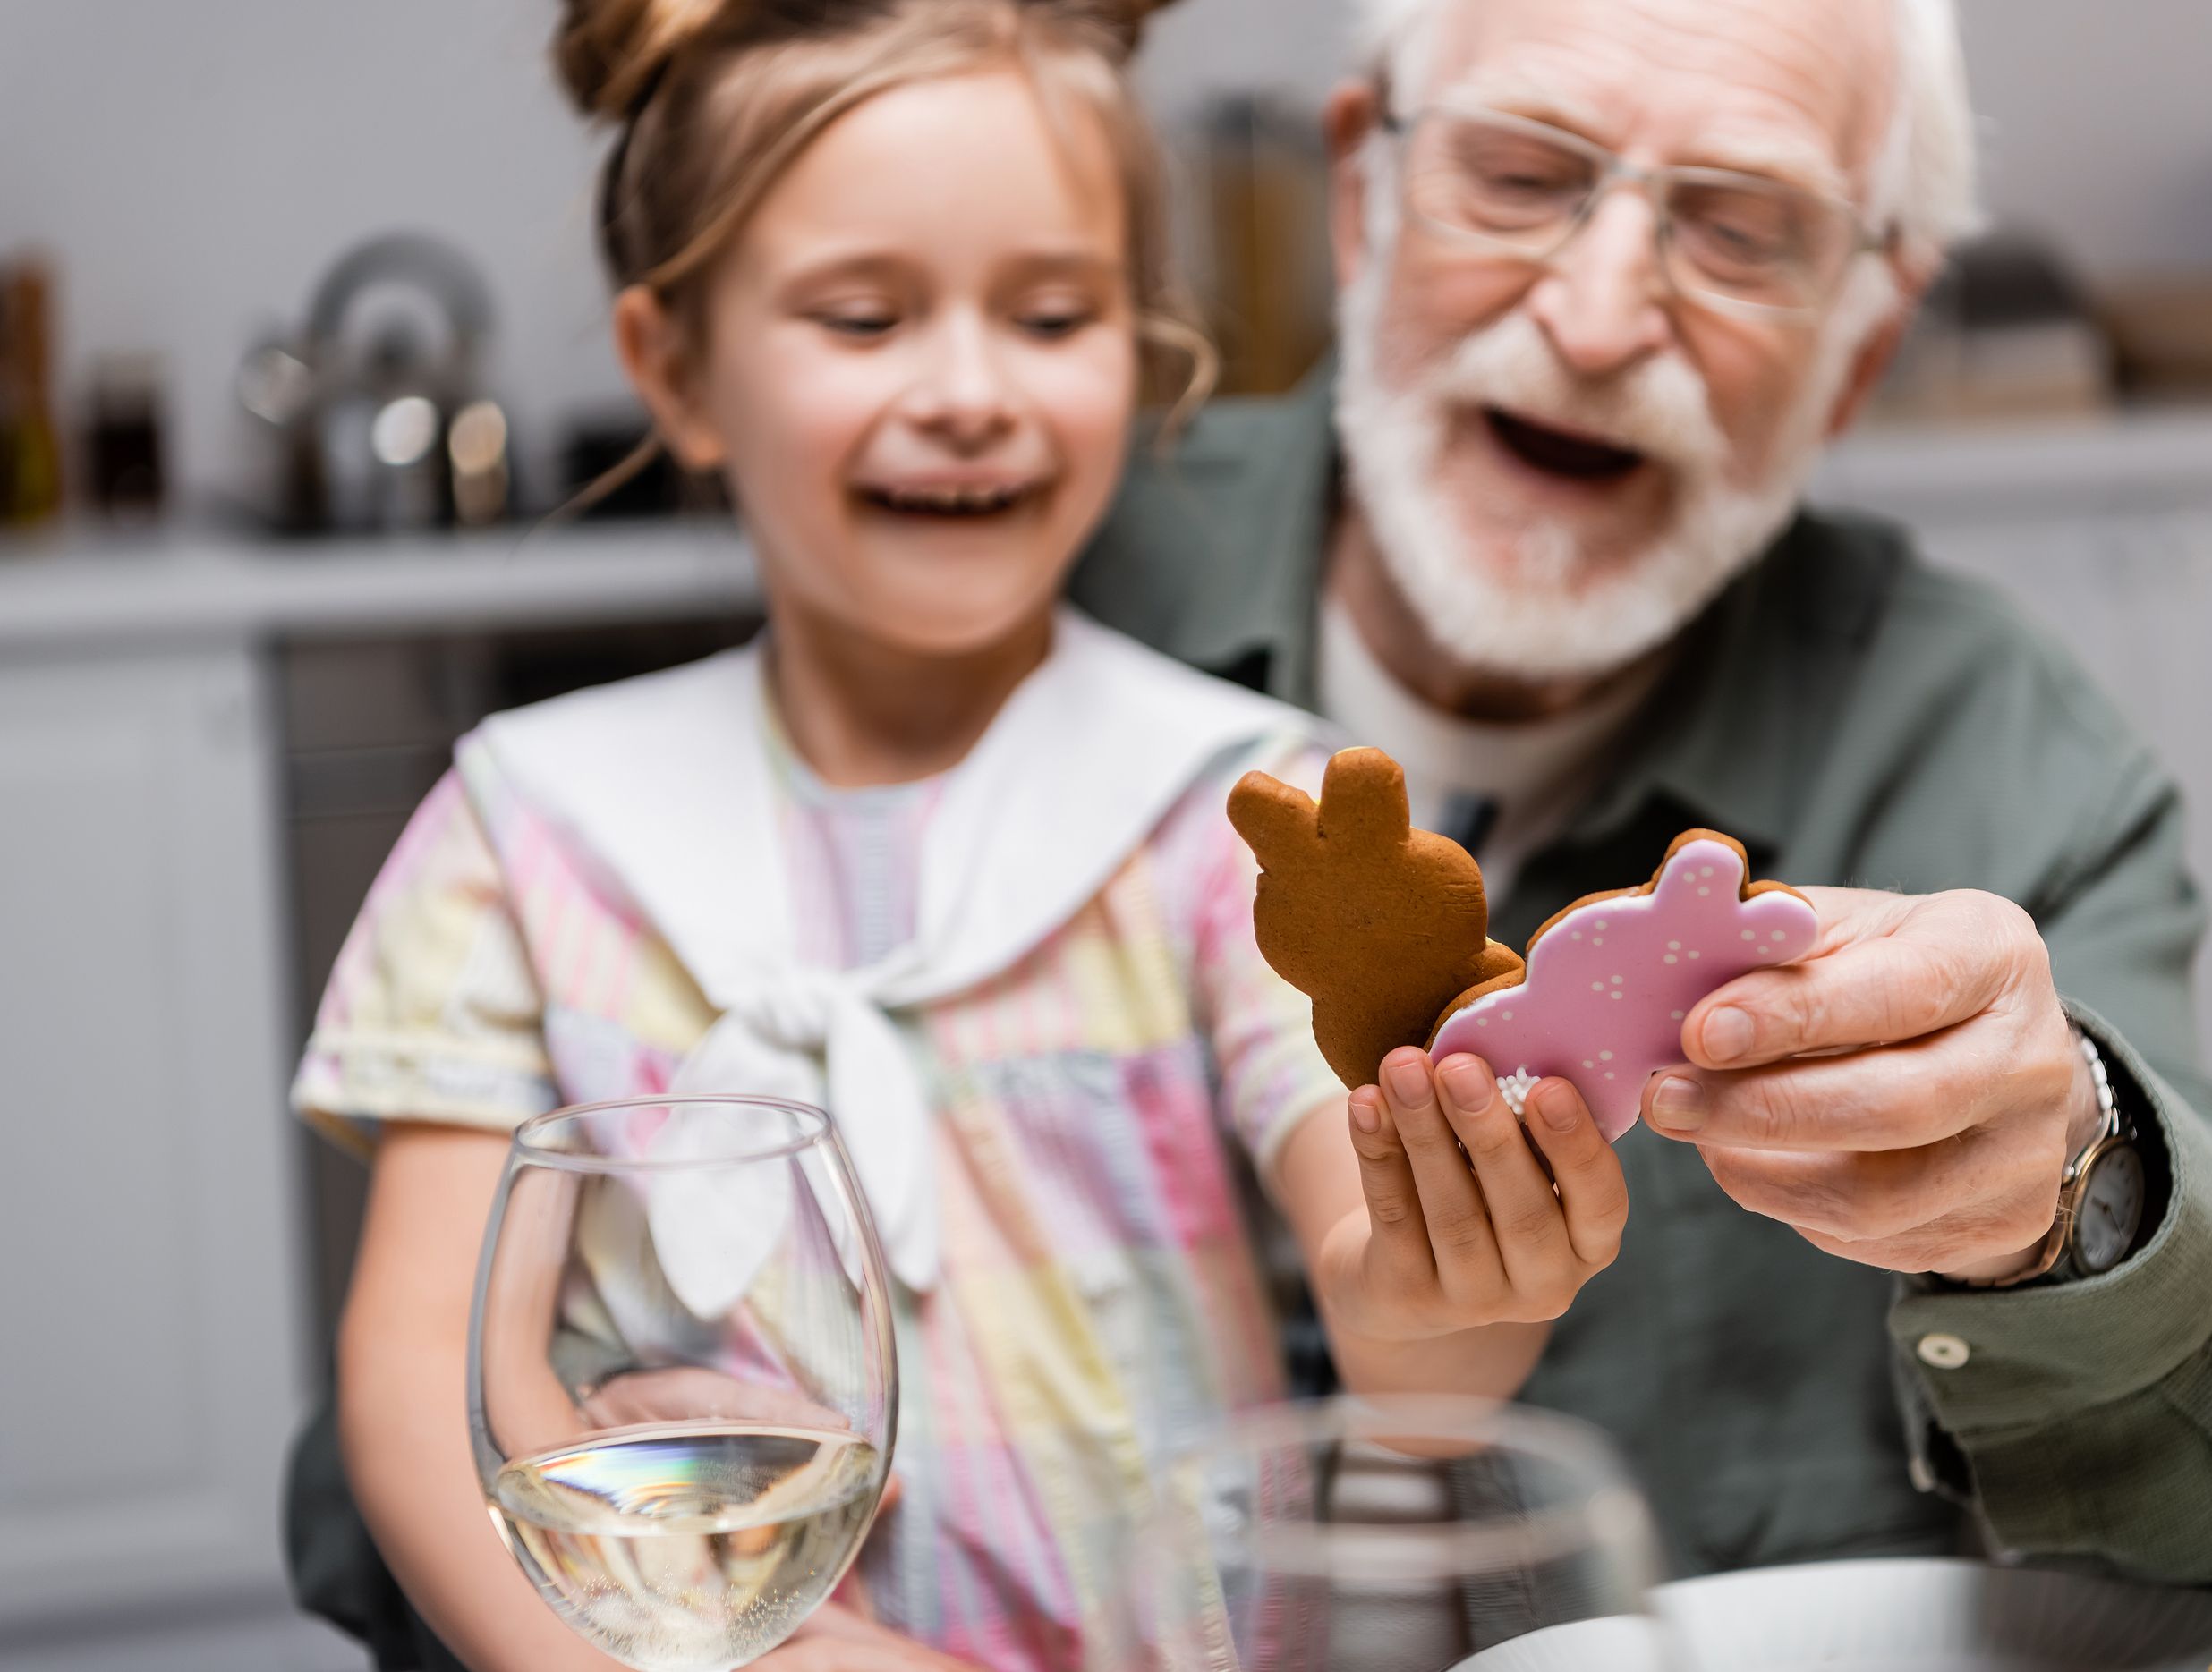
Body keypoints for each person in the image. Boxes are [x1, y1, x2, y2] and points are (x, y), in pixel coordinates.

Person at [286, 2, 1638, 1668]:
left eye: (1053, 313)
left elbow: (1404, 1349)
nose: (970, 391)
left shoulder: (1237, 811)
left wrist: (1461, 1281)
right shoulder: (527, 834)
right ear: (678, 370)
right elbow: (423, 1386)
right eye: (865, 317)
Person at [1069, 0, 2212, 1584]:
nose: (1602, 315)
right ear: (1361, 199)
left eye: (1744, 232)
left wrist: (2071, 1185)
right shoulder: (1046, 593)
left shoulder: (2001, 761)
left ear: (1856, 352)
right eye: (1523, 176)